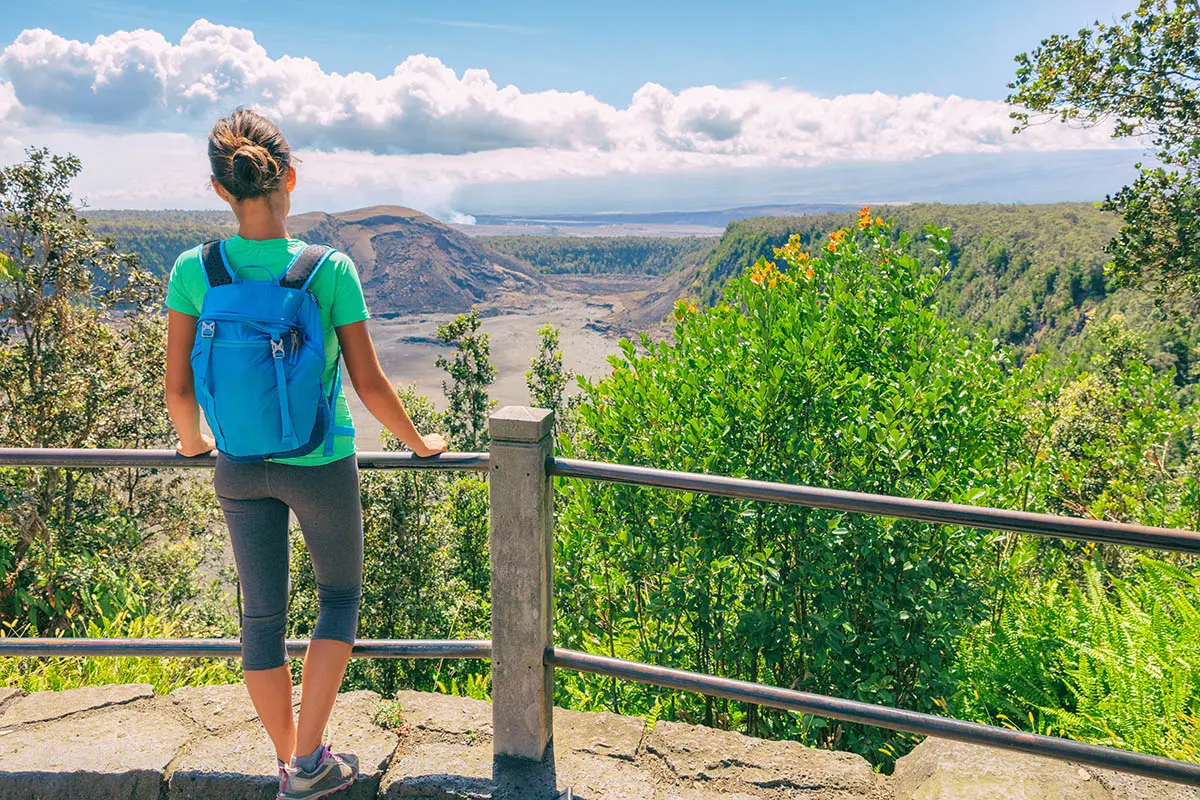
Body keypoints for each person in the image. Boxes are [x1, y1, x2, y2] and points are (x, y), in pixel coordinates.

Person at [164, 108, 448, 799]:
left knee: (260, 617)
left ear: (218, 188)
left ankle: (290, 759)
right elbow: (370, 383)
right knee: (339, 599)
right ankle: (309, 760)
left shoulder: (194, 269)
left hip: (236, 464)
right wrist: (421, 443)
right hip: (319, 462)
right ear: (290, 178)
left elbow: (177, 388)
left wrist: (196, 444)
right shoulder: (329, 270)